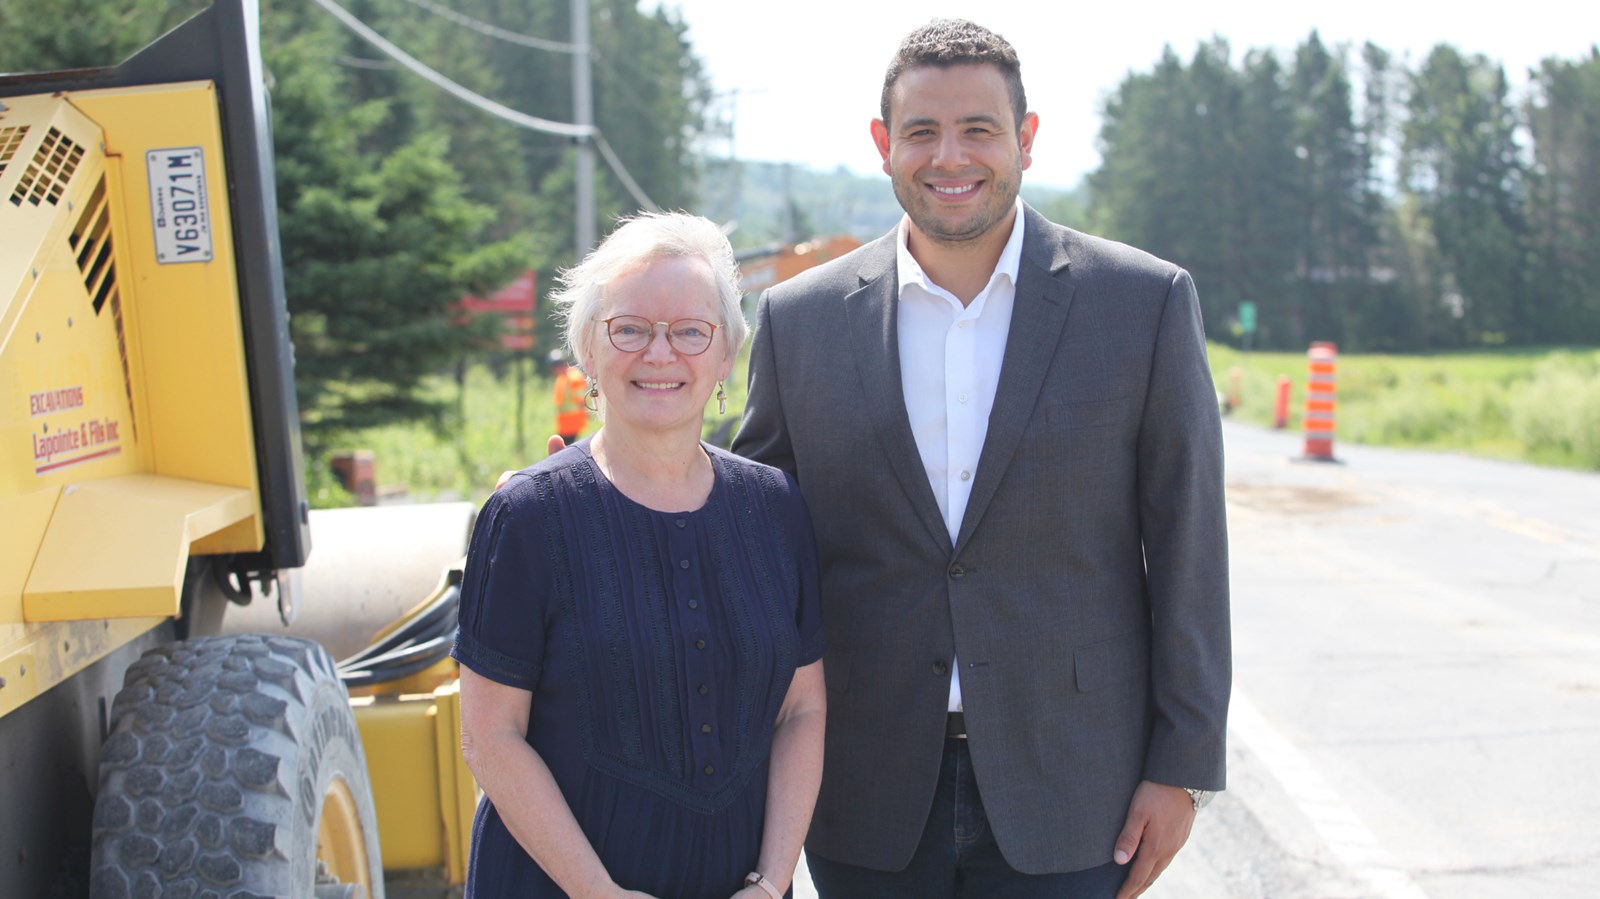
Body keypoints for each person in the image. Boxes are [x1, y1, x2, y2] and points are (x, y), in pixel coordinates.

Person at [730, 18, 1230, 899]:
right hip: (862, 788)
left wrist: (1182, 764)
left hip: (1078, 788)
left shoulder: (1142, 304)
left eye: (978, 129)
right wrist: (599, 495)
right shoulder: (799, 321)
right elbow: (753, 527)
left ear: (1025, 141)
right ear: (884, 146)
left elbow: (1189, 545)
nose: (948, 156)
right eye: (921, 131)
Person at [454, 212, 826, 899]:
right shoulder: (526, 518)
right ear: (589, 353)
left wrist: (773, 881)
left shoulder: (775, 507)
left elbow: (802, 709)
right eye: (629, 328)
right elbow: (490, 737)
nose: (660, 354)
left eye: (690, 331)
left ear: (725, 359)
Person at [549, 350, 591, 445]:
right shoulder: (562, 378)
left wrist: (585, 413)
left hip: (572, 422)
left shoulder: (574, 378)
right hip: (565, 423)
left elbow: (581, 400)